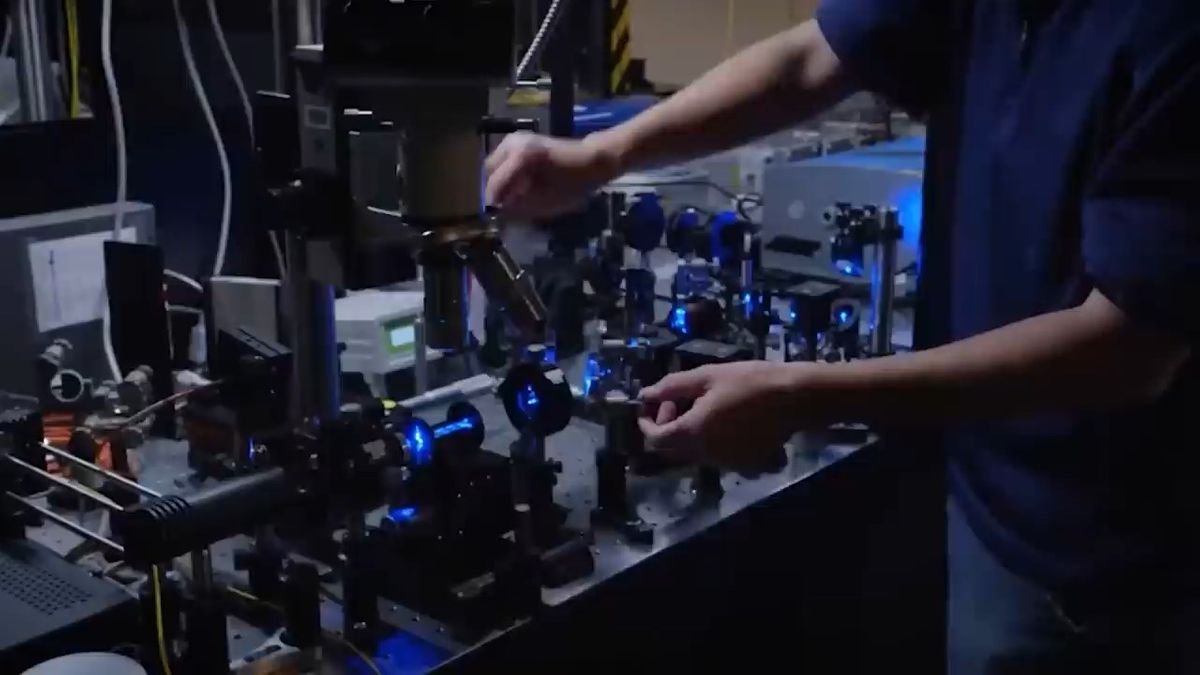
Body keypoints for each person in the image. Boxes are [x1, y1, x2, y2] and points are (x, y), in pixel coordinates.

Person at [485, 1, 1200, 672]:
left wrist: (803, 394)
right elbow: (810, 59)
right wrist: (602, 156)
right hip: (983, 482)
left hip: (1107, 554)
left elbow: (1129, 348)